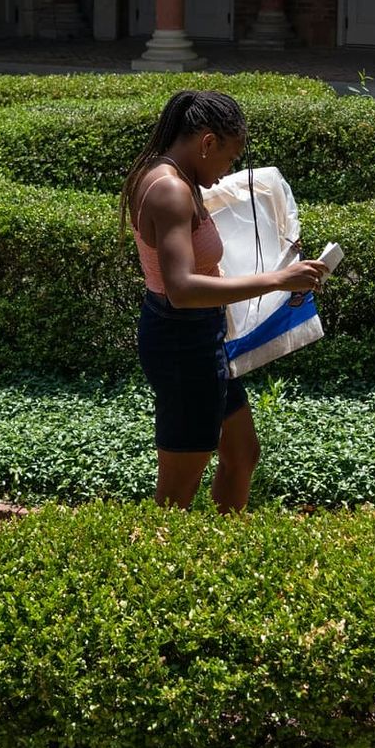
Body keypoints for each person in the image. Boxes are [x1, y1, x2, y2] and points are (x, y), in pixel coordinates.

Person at [121, 91, 329, 511]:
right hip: (183, 343)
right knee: (175, 497)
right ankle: (156, 569)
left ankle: (226, 550)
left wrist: (280, 254)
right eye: (229, 159)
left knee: (242, 454)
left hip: (202, 336)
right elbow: (181, 289)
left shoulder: (172, 173)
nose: (226, 171)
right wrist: (276, 280)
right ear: (208, 143)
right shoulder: (171, 191)